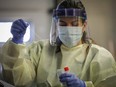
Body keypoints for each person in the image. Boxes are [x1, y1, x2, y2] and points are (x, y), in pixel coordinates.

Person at [0, 0, 116, 87]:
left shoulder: (100, 56)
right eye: (63, 24)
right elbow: (18, 79)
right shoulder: (40, 50)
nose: (68, 28)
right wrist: (17, 41)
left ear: (84, 26)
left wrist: (84, 86)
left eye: (74, 24)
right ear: (57, 25)